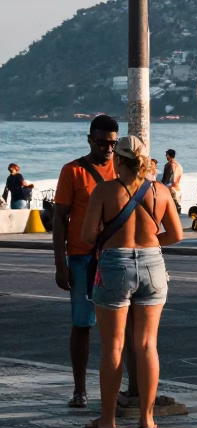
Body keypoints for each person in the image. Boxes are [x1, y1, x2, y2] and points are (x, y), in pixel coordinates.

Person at [80, 135, 182, 428]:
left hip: (115, 264)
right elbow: (176, 235)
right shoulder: (160, 190)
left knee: (114, 345)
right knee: (147, 344)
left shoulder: (105, 191)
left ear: (118, 160)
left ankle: (108, 420)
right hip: (153, 263)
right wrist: (148, 244)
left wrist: (112, 239)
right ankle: (147, 419)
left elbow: (87, 236)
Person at [54, 114, 119, 409]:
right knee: (82, 324)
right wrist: (60, 263)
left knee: (119, 326)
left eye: (113, 144)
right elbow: (59, 217)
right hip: (81, 257)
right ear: (90, 140)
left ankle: (119, 389)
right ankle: (79, 389)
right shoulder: (73, 171)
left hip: (115, 257)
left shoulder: (122, 168)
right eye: (102, 142)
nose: (108, 149)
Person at [161, 149, 183, 214]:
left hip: (170, 190)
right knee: (177, 212)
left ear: (169, 156)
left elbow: (166, 180)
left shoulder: (168, 165)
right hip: (178, 189)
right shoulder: (179, 166)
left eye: (166, 155)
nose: (166, 156)